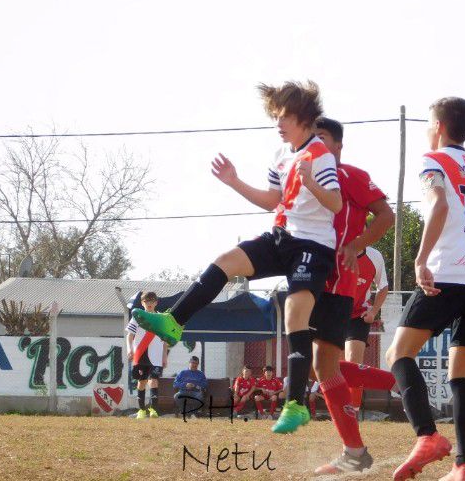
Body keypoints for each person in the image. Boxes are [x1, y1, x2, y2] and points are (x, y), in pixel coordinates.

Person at [132, 81, 342, 434]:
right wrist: (234, 181)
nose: (277, 122)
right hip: (281, 237)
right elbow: (272, 200)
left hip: (313, 246)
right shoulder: (281, 154)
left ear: (303, 117)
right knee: (226, 260)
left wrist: (313, 184)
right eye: (275, 115)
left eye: (284, 116)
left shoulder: (319, 155)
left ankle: (294, 405)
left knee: (294, 315)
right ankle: (174, 320)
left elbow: (335, 203)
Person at [386, 97, 465, 481]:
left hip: (449, 272)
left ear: (439, 127)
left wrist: (420, 259)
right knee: (461, 374)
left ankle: (427, 436)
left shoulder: (433, 160)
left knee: (398, 353)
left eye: (428, 123)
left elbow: (439, 204)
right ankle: (463, 466)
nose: (428, 130)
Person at [306, 116, 395, 474]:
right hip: (312, 279)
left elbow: (386, 215)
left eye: (322, 138)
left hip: (339, 283)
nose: (315, 145)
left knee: (323, 363)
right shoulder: (303, 178)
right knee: (320, 365)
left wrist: (357, 244)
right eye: (310, 139)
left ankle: (354, 450)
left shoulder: (352, 176)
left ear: (339, 145)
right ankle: (400, 380)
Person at [344, 245, 389, 407]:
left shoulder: (374, 256)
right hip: (334, 313)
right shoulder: (335, 250)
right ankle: (336, 407)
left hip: (358, 315)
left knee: (353, 363)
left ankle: (352, 410)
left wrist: (373, 311)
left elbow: (383, 286)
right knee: (330, 365)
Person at [126, 292, 168, 419]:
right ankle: (141, 410)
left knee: (154, 381)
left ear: (156, 302)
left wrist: (164, 356)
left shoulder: (161, 318)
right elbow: (130, 335)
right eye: (146, 301)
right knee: (142, 381)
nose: (149, 304)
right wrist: (130, 349)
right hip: (140, 353)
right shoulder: (137, 316)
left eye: (151, 301)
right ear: (142, 303)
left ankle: (154, 410)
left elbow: (164, 339)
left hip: (156, 356)